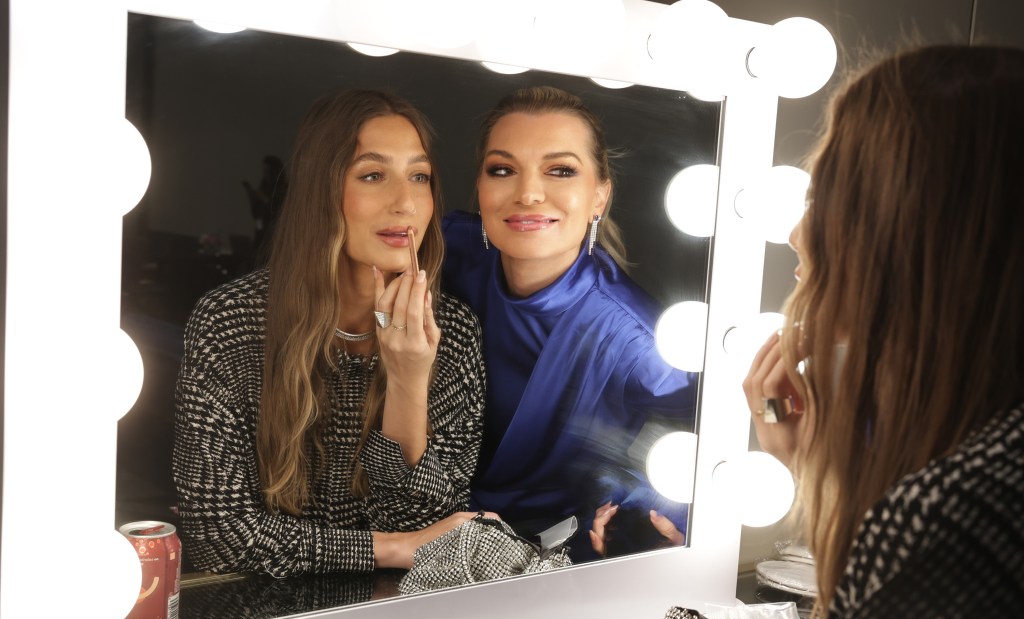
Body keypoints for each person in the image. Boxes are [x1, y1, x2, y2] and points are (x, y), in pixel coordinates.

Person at [743, 45, 1024, 619]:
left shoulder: (951, 517)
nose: (795, 233)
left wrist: (828, 490)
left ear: (907, 229)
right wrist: (815, 468)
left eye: (824, 200)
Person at [173, 89, 487, 578]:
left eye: (419, 177)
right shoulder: (230, 322)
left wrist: (407, 380)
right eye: (373, 175)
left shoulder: (455, 333)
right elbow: (220, 537)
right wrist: (386, 549)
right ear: (322, 191)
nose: (406, 203)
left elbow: (423, 528)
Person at [443, 86, 697, 560]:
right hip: (420, 539)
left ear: (600, 196)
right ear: (479, 188)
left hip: (556, 566)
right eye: (503, 170)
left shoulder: (639, 340)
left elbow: (699, 462)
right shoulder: (446, 253)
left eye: (560, 170)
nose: (528, 193)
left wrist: (643, 512)